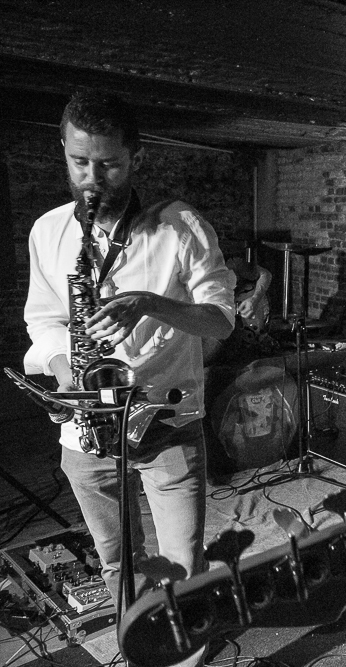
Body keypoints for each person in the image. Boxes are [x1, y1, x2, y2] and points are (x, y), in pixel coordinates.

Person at [22, 91, 235, 627]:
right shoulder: (48, 231)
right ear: (63, 150)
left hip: (167, 424)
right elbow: (44, 320)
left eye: (109, 164)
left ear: (136, 157)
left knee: (183, 569)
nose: (92, 179)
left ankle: (185, 650)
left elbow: (220, 320)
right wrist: (64, 369)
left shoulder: (181, 226)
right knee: (119, 564)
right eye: (79, 162)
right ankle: (139, 644)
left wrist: (151, 304)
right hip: (87, 434)